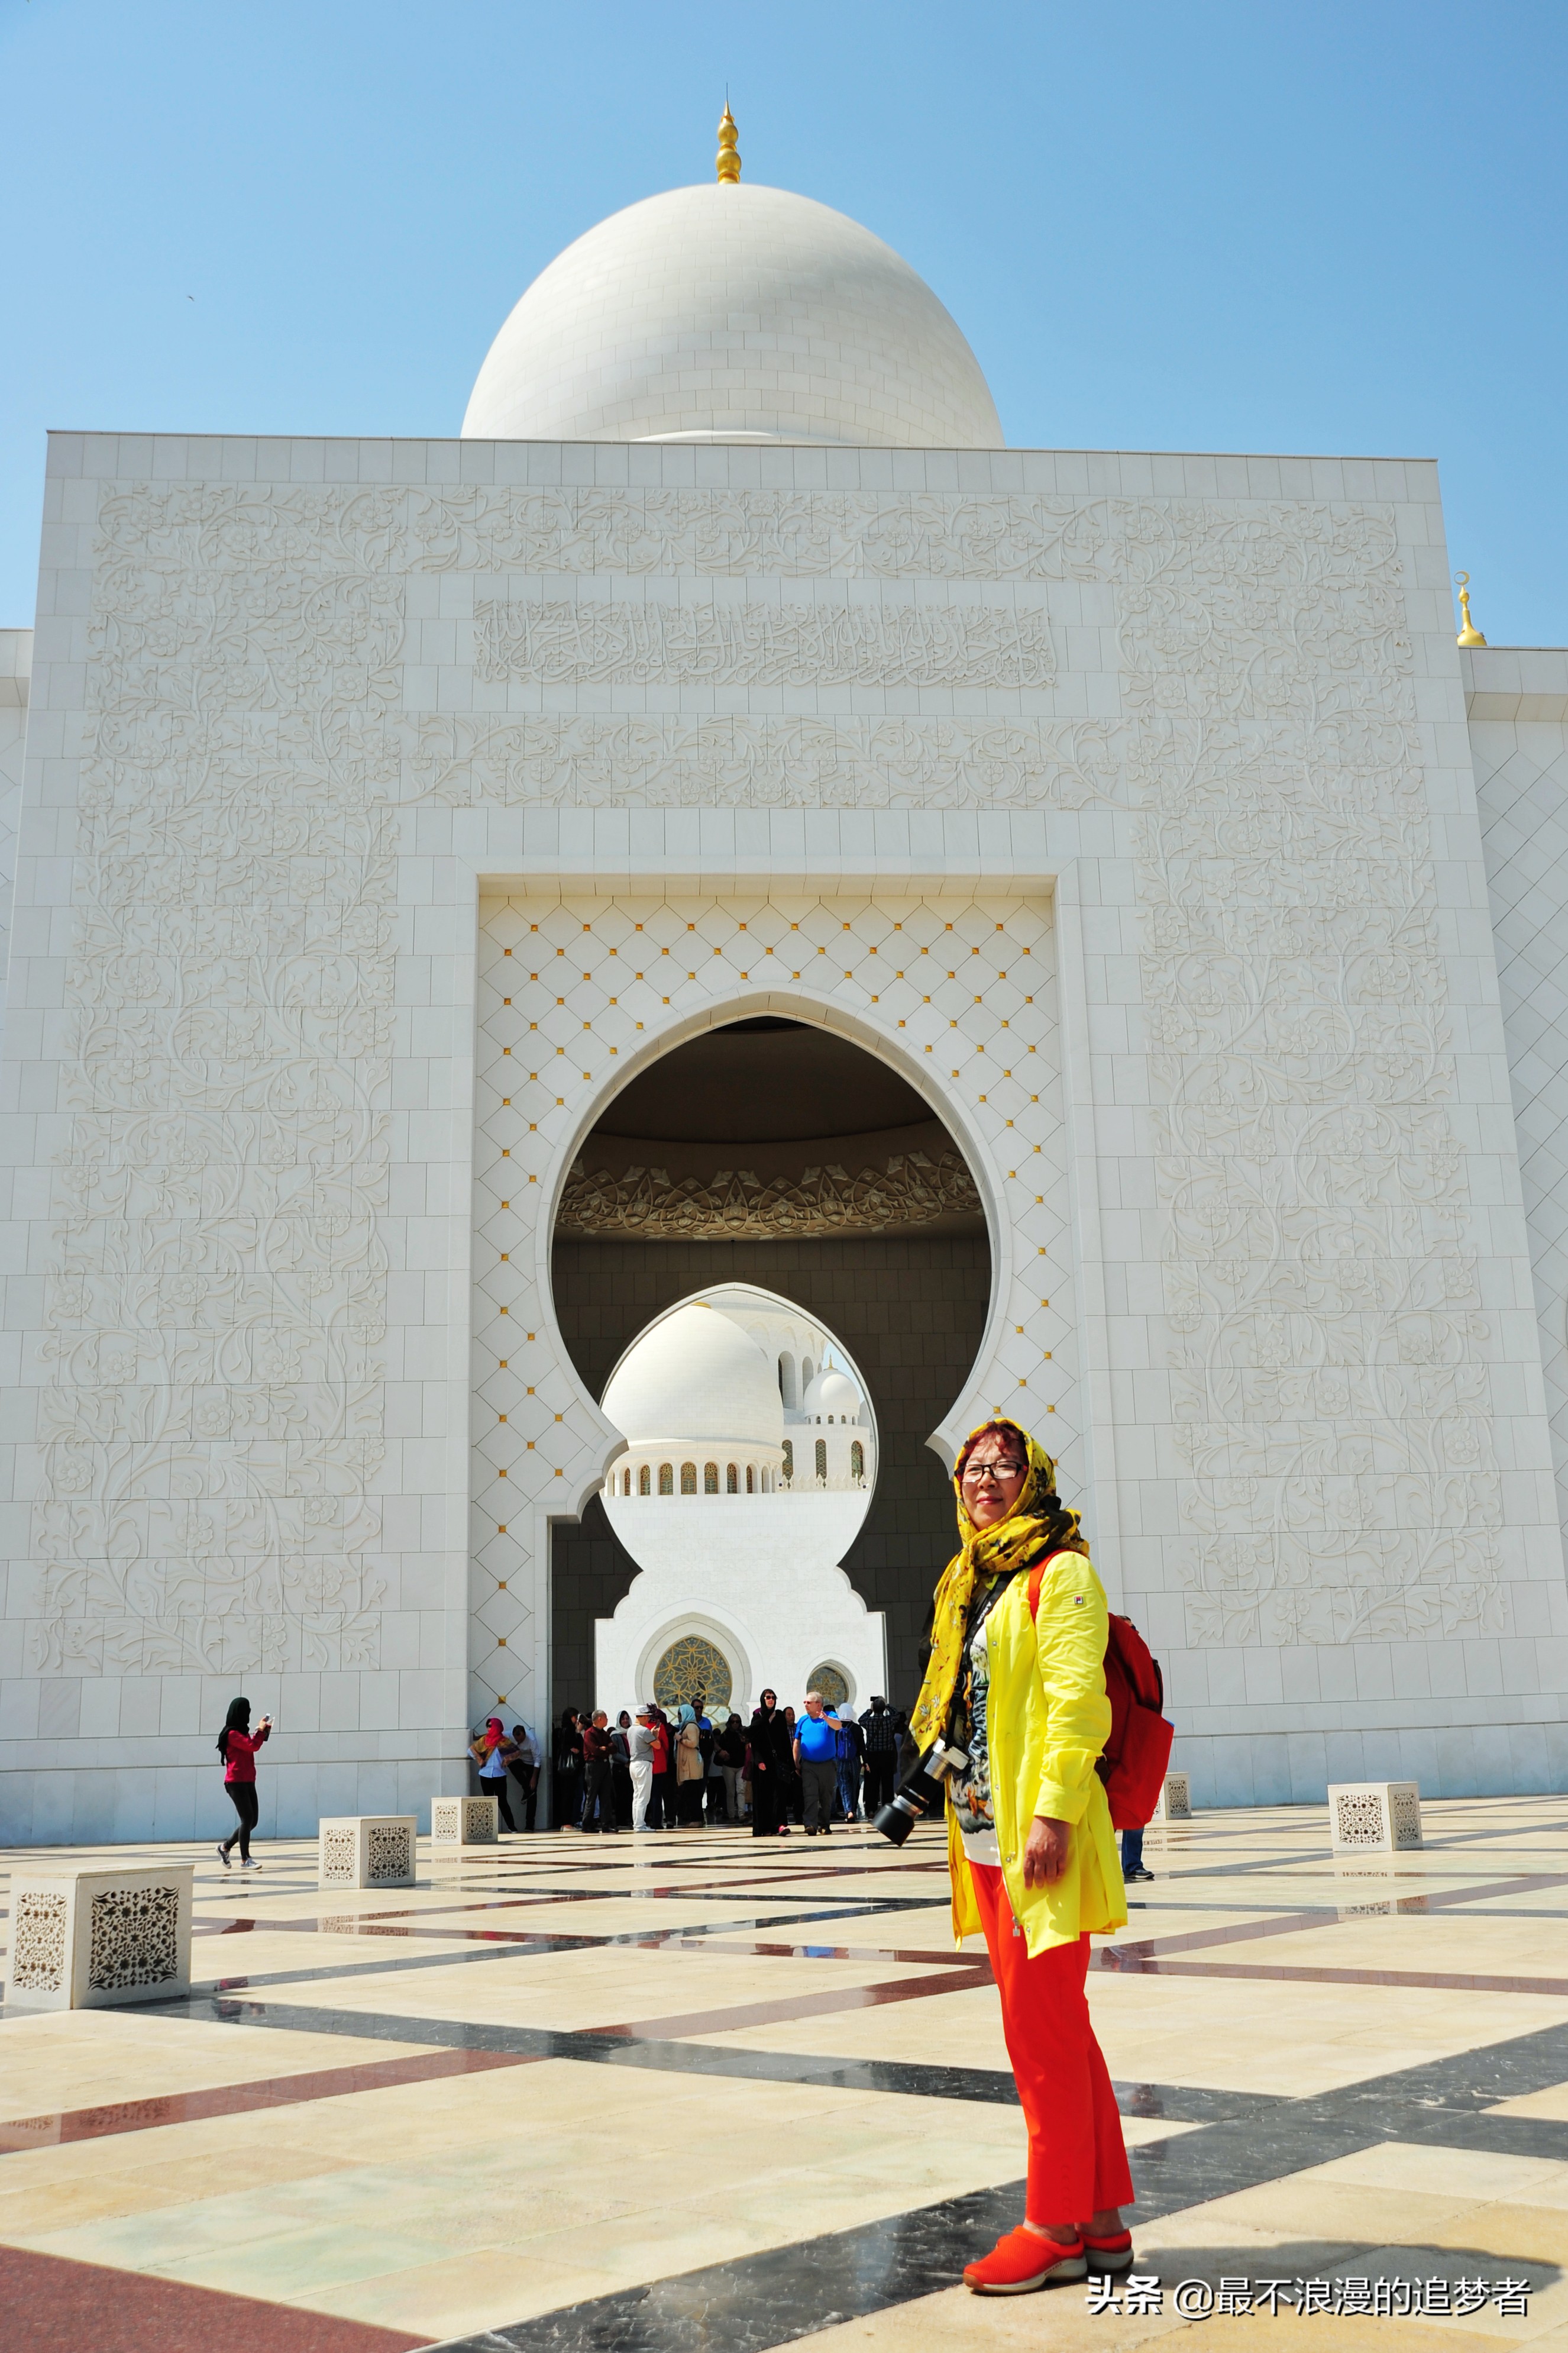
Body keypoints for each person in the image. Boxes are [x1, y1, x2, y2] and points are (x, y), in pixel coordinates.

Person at [906, 1417, 1134, 2296]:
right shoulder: (973, 1579)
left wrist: (1051, 1815)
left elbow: (1079, 1703)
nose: (983, 1479)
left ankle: (1050, 2226)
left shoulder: (1059, 1571)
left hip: (1042, 1838)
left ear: (1031, 1476)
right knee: (1060, 2030)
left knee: (1037, 2036)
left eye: (1002, 1466)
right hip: (985, 1839)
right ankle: (1102, 2222)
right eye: (971, 1467)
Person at [215, 1696, 271, 1870]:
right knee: (247, 1819)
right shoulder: (232, 1734)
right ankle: (245, 1859)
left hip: (248, 1781)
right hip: (235, 1783)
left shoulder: (242, 1732)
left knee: (253, 1821)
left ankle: (224, 1848)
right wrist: (260, 1731)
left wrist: (262, 1731)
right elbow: (252, 1746)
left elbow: (254, 1744)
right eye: (246, 1711)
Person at [793, 1691, 843, 1834]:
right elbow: (797, 1742)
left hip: (828, 1764)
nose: (805, 1704)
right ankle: (810, 1824)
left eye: (809, 1702)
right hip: (809, 1765)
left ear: (819, 1705)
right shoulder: (803, 1720)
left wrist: (826, 1719)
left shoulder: (830, 1716)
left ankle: (824, 1825)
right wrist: (796, 1762)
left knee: (826, 1796)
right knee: (810, 1795)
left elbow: (838, 1726)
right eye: (805, 1702)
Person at [746, 1689, 791, 1836]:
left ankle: (780, 1825)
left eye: (773, 1697)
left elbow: (785, 1741)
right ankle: (765, 1828)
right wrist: (759, 1761)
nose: (771, 1700)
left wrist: (789, 1762)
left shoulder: (779, 1717)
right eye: (768, 1697)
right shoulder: (758, 1718)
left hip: (778, 1763)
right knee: (764, 1796)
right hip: (763, 1764)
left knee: (779, 1795)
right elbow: (754, 1741)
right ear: (763, 1699)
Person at [470, 1717, 520, 1831]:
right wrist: (479, 1758)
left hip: (499, 1775)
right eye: (488, 1726)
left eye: (491, 1726)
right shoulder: (484, 1740)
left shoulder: (504, 1741)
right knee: (488, 1802)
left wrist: (508, 1758)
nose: (489, 1728)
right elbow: (471, 1749)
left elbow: (517, 1752)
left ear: (497, 1727)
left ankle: (512, 1827)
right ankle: (488, 1828)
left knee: (503, 1802)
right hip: (485, 1774)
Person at [859, 1695, 899, 1819]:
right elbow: (896, 1715)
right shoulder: (889, 1720)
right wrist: (886, 1705)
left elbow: (861, 1720)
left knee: (872, 1784)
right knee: (887, 1783)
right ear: (883, 1709)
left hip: (872, 1756)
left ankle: (871, 1810)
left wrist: (870, 1710)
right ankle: (887, 1809)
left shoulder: (869, 1722)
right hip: (887, 1755)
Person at [580, 1710, 617, 1832]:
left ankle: (607, 1824)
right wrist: (606, 1749)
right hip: (594, 1766)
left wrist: (605, 1748)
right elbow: (595, 1751)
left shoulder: (605, 1733)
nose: (607, 1720)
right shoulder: (589, 1733)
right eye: (606, 1718)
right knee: (592, 1796)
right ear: (600, 1719)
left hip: (605, 1765)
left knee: (606, 1795)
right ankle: (587, 1824)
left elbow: (614, 1748)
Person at [674, 1703, 706, 1825]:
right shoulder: (686, 1726)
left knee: (693, 1793)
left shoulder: (691, 1727)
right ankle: (696, 1818)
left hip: (692, 1766)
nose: (679, 1716)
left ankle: (696, 1819)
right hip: (689, 1765)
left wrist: (680, 1739)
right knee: (691, 1793)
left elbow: (693, 1743)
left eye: (680, 1714)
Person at [552, 1708, 583, 1832]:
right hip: (570, 1768)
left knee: (566, 1795)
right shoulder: (570, 1731)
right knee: (569, 1795)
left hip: (563, 1768)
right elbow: (576, 1745)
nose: (576, 1720)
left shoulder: (561, 1731)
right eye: (574, 1717)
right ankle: (567, 1823)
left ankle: (565, 1822)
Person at [628, 1703, 658, 1830]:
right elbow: (657, 1746)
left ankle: (637, 1823)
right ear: (642, 1717)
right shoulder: (644, 1730)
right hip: (643, 1764)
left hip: (634, 1764)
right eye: (646, 1717)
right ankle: (640, 1825)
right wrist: (655, 1736)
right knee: (643, 1796)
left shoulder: (631, 1729)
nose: (648, 1719)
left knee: (637, 1795)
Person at [508, 1721, 542, 1831]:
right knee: (511, 1764)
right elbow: (496, 1734)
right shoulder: (509, 1735)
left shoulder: (531, 1739)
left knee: (533, 1793)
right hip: (521, 1761)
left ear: (524, 1735)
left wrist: (534, 1778)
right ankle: (526, 1789)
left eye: (521, 1740)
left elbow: (538, 1759)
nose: (519, 1742)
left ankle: (530, 1824)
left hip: (533, 1765)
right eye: (517, 1740)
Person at [715, 1711, 748, 1822]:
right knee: (730, 1791)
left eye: (737, 1722)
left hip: (741, 1765)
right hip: (728, 1766)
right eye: (733, 1722)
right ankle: (731, 1815)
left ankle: (742, 1814)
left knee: (741, 1790)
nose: (735, 1724)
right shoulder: (725, 1735)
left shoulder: (743, 1734)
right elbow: (719, 1748)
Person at [835, 1708, 865, 1821]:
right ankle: (854, 1809)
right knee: (854, 1785)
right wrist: (866, 1761)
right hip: (855, 1760)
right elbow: (862, 1746)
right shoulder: (857, 1728)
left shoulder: (836, 1726)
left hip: (840, 1761)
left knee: (844, 1786)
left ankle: (849, 1811)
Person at [612, 1710, 635, 1828]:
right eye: (623, 1719)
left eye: (627, 1718)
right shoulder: (615, 1735)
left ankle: (630, 1819)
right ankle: (621, 1821)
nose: (625, 1721)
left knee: (631, 1794)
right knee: (621, 1795)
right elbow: (614, 1753)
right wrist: (627, 1761)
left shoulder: (632, 1732)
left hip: (631, 1768)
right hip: (620, 1768)